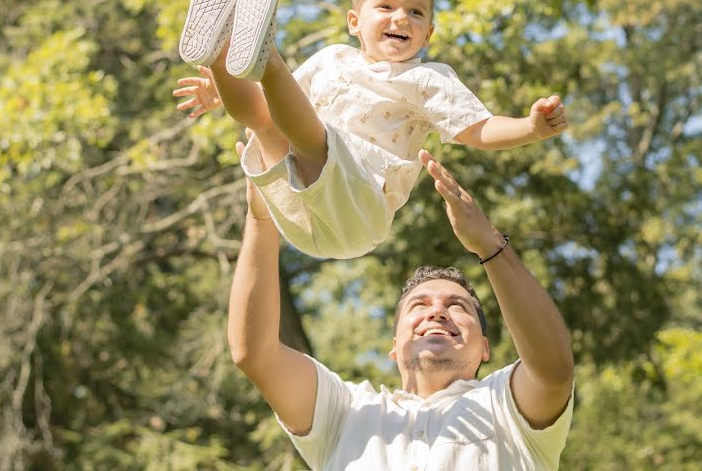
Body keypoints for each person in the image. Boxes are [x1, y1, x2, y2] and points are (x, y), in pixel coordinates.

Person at [173, 0, 568, 259]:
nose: (402, 17)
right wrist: (222, 89)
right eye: (387, 7)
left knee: (316, 142)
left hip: (357, 212)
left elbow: (478, 129)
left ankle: (267, 55)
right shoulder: (332, 60)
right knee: (266, 125)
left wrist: (530, 128)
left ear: (428, 34)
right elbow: (275, 107)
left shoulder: (427, 79)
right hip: (294, 208)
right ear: (354, 22)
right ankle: (220, 54)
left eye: (416, 12)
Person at [228, 143, 575, 470]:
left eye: (458, 307)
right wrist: (261, 217)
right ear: (394, 346)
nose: (437, 312)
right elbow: (255, 354)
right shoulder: (344, 412)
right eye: (419, 305)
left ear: (485, 347)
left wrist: (488, 243)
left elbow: (554, 369)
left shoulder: (505, 406)